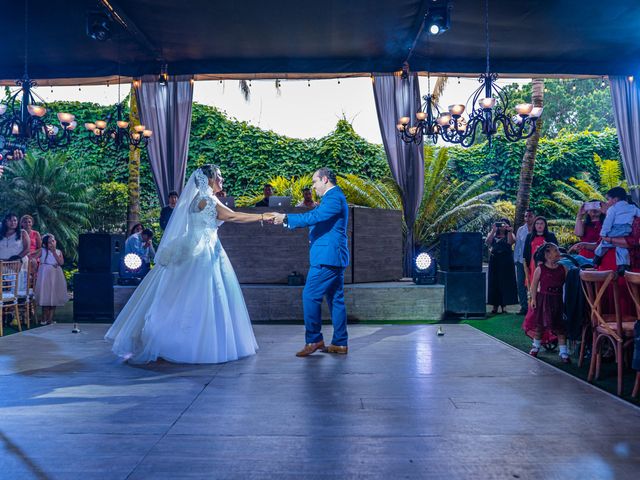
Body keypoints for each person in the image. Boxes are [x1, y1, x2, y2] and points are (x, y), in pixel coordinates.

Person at [105, 164, 276, 364]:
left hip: (203, 248)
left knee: (194, 297)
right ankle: (191, 343)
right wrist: (263, 216)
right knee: (202, 296)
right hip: (202, 251)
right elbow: (231, 216)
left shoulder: (199, 199)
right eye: (219, 176)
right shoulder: (206, 199)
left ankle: (186, 338)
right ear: (209, 180)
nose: (222, 179)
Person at [272, 167, 349, 357]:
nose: (313, 187)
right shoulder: (333, 198)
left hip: (327, 257)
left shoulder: (333, 197)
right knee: (335, 299)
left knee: (310, 296)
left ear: (324, 180)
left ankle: (314, 339)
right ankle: (340, 343)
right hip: (333, 256)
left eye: (314, 182)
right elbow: (318, 219)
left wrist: (286, 218)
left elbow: (314, 217)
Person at [523, 243, 571, 363]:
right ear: (547, 255)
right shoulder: (540, 269)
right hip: (544, 300)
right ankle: (536, 346)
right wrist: (533, 299)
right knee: (540, 326)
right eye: (555, 251)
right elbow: (534, 286)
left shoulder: (563, 268)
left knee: (560, 327)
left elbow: (568, 285)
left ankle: (564, 352)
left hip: (558, 300)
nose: (558, 252)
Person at [593, 187, 639, 272]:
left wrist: (603, 233)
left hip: (616, 229)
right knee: (621, 247)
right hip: (626, 230)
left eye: (608, 199)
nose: (607, 202)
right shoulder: (632, 207)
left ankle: (597, 257)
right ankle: (623, 265)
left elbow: (608, 222)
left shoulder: (612, 209)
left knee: (604, 242)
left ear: (615, 199)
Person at [486, 218, 518, 314]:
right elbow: (488, 242)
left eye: (505, 224)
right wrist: (493, 230)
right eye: (501, 224)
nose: (502, 226)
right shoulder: (493, 233)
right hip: (495, 260)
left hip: (506, 260)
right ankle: (495, 305)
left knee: (505, 282)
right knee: (494, 282)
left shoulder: (510, 234)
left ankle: (504, 305)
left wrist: (509, 231)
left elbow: (510, 242)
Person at [34, 234, 68, 325]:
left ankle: (50, 319)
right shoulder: (42, 251)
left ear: (55, 242)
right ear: (45, 244)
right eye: (49, 242)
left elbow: (61, 262)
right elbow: (32, 258)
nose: (51, 244)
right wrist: (35, 266)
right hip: (45, 276)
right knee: (46, 296)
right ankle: (43, 318)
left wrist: (54, 253)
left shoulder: (58, 251)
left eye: (53, 241)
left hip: (56, 275)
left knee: (54, 297)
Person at [523, 216, 558, 285]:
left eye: (542, 223)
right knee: (533, 284)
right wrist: (526, 267)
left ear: (545, 225)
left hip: (547, 263)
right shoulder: (529, 236)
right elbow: (526, 253)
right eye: (537, 223)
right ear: (534, 225)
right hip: (533, 264)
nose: (539, 225)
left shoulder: (551, 236)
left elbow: (556, 250)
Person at [514, 209, 535, 315]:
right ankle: (524, 307)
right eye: (526, 216)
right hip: (522, 261)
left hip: (535, 261)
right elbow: (518, 246)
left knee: (533, 283)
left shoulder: (538, 229)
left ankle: (534, 307)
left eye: (530, 216)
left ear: (534, 217)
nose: (527, 218)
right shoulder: (521, 230)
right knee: (521, 283)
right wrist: (516, 260)